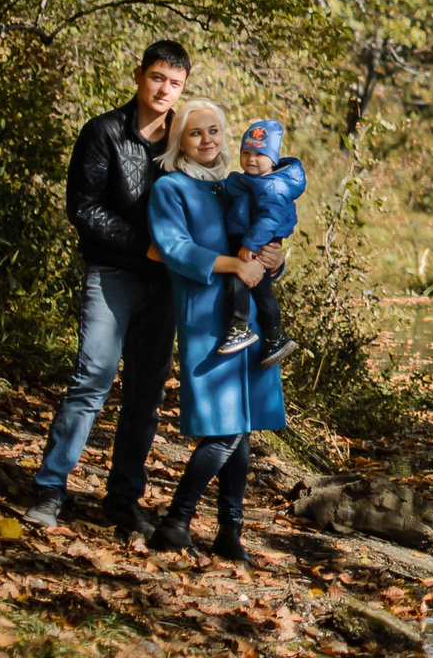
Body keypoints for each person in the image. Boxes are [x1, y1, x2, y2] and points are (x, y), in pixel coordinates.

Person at [24, 40, 190, 535]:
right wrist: (144, 247)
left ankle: (123, 498)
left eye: (175, 83)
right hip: (113, 275)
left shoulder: (186, 135)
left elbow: (214, 203)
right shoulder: (102, 132)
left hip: (165, 286)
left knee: (146, 395)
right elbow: (84, 207)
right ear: (139, 75)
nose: (164, 89)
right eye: (158, 77)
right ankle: (50, 489)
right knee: (91, 380)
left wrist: (264, 251)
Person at [146, 98, 289, 564]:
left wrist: (275, 259)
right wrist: (234, 265)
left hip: (246, 315)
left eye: (214, 131)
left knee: (242, 429)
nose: (207, 140)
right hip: (208, 318)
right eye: (195, 133)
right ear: (179, 140)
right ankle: (175, 522)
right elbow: (172, 248)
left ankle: (230, 532)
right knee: (223, 432)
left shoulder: (233, 186)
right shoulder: (171, 188)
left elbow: (261, 240)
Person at [214, 118, 305, 367]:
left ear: (273, 159)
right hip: (248, 238)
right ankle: (270, 335)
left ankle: (251, 330)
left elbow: (269, 218)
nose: (251, 159)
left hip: (257, 240)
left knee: (248, 283)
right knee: (254, 286)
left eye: (259, 154)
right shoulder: (250, 181)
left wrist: (251, 245)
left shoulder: (273, 186)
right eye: (246, 152)